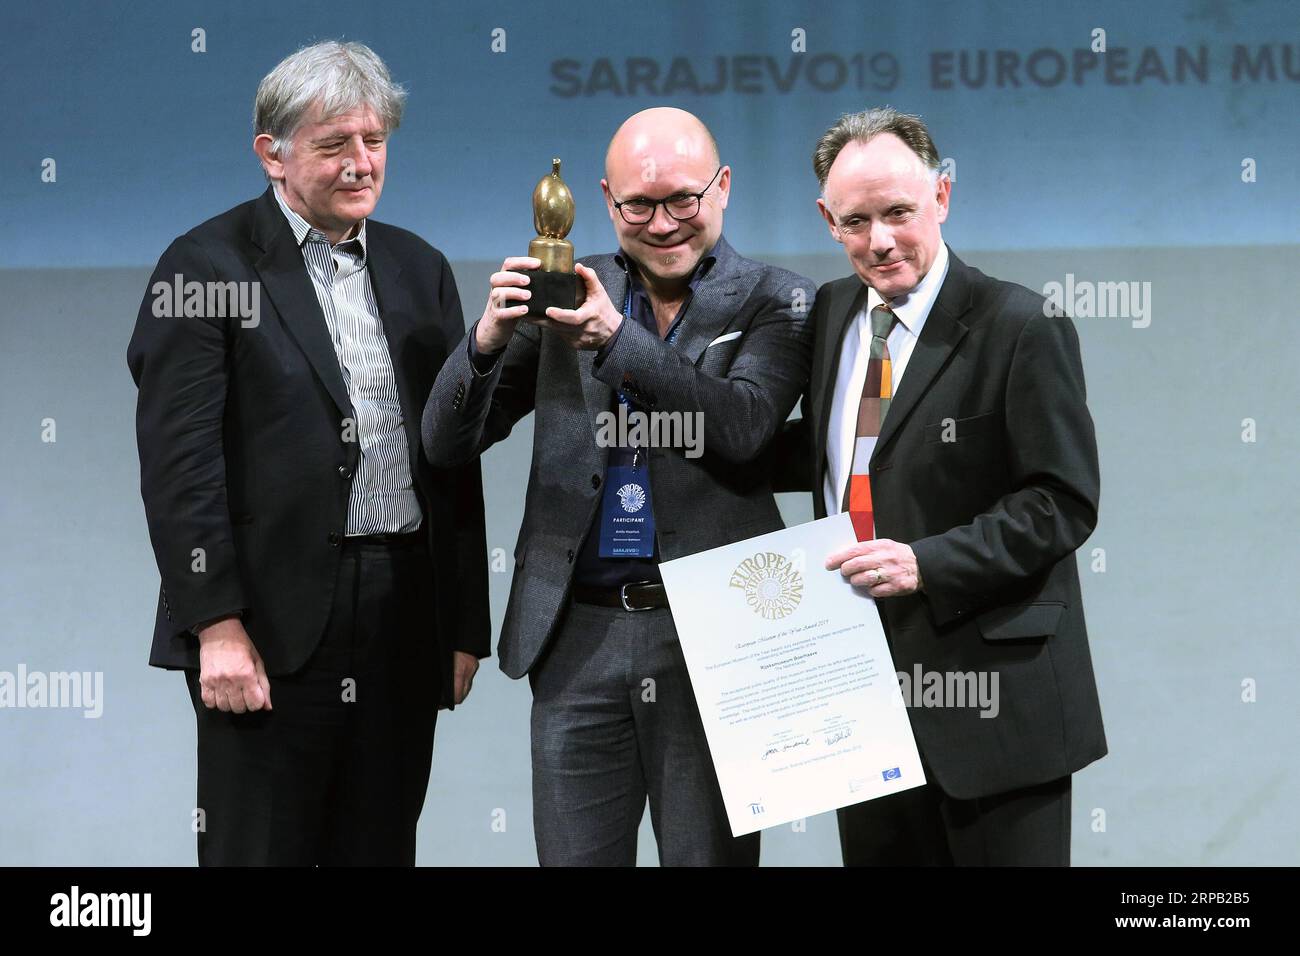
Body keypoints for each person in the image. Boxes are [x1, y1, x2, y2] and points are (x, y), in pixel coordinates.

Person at [127, 41, 489, 866]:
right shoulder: (204, 266)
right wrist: (215, 624)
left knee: (380, 849)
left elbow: (449, 457)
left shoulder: (418, 266)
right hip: (267, 622)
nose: (363, 165)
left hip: (402, 616)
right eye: (336, 145)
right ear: (273, 154)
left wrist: (463, 623)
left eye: (375, 140)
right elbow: (180, 467)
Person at [422, 107, 814, 866]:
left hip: (714, 640)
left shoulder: (778, 298)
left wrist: (614, 339)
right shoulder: (570, 288)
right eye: (639, 205)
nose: (662, 223)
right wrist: (485, 343)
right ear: (606, 200)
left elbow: (744, 428)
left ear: (723, 187)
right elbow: (446, 443)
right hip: (577, 637)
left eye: (682, 200)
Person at [777, 107, 1106, 865]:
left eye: (899, 213)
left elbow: (1061, 501)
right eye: (855, 221)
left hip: (995, 710)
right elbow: (842, 453)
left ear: (943, 198)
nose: (880, 241)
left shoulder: (1023, 325)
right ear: (827, 219)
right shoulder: (831, 312)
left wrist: (926, 562)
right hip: (862, 706)